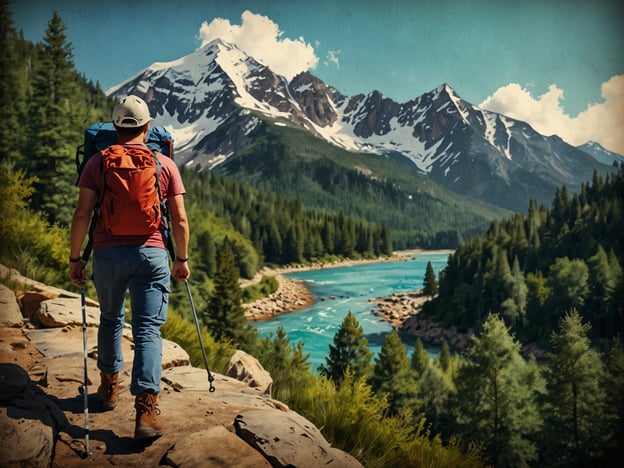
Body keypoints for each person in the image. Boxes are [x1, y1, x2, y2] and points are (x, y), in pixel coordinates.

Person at [69, 95, 190, 439]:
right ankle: (146, 412)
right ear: (148, 127)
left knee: (110, 319)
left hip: (107, 256)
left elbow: (82, 214)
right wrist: (180, 259)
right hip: (151, 255)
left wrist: (75, 258)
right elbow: (179, 218)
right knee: (148, 330)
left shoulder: (97, 162)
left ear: (114, 128)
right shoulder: (164, 163)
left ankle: (108, 388)